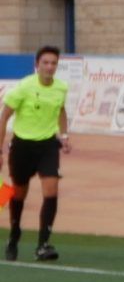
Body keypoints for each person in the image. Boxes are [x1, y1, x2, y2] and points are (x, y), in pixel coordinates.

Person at [3, 45, 70, 262]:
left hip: (48, 145)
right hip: (22, 146)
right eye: (46, 63)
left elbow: (61, 110)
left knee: (51, 191)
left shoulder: (61, 88)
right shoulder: (24, 87)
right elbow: (4, 117)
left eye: (53, 63)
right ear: (37, 65)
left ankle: (43, 245)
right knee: (18, 194)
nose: (50, 67)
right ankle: (14, 235)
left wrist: (64, 135)